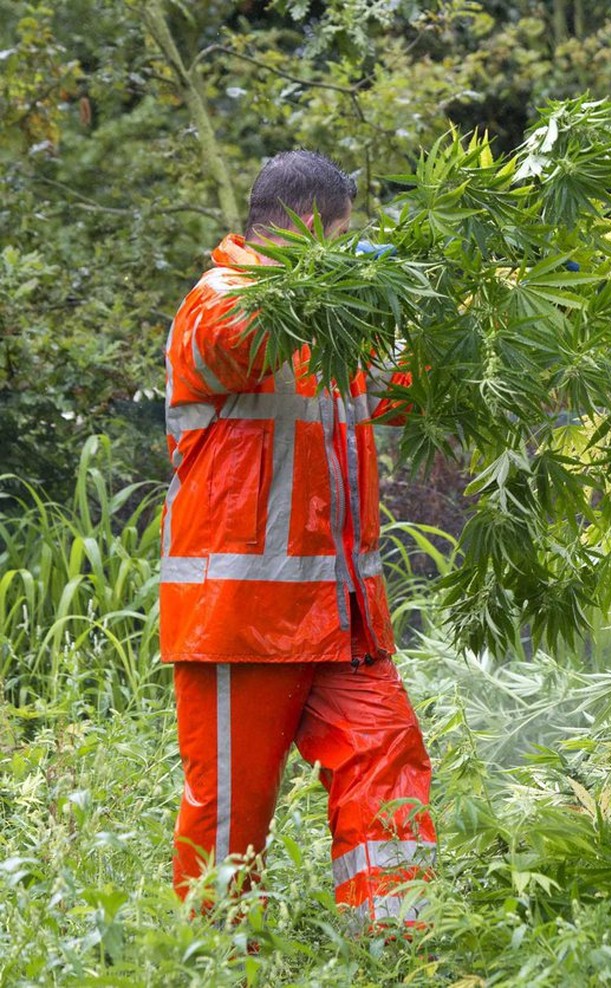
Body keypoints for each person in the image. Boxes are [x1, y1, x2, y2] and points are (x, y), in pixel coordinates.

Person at [161, 150, 435, 927]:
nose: (355, 251)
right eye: (345, 237)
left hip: (341, 617)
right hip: (241, 620)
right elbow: (245, 342)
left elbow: (405, 395)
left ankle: (394, 948)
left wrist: (425, 302)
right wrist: (339, 283)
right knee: (230, 820)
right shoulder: (217, 301)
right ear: (313, 233)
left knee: (389, 759)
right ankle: (212, 969)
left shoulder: (335, 318)